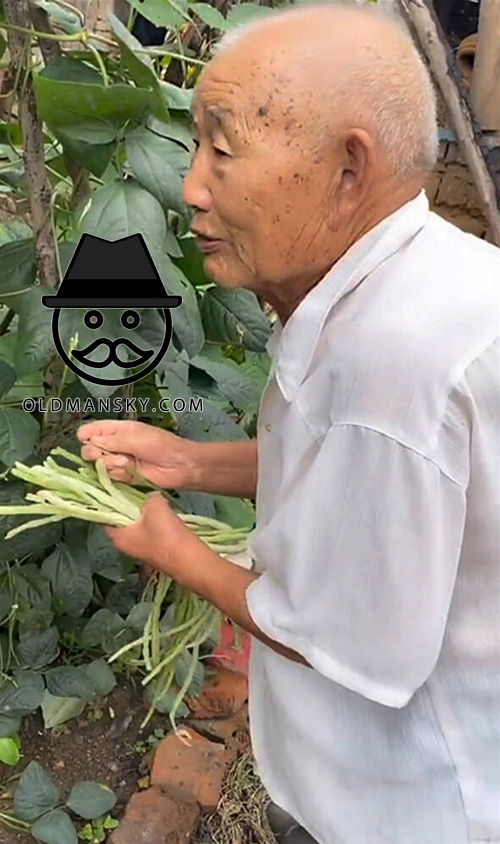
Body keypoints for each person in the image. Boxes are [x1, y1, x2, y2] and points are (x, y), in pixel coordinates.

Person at [77, 4, 500, 843]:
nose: (191, 186)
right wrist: (194, 465)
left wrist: (178, 552)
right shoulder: (425, 278)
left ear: (349, 169)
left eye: (221, 149)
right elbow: (343, 476)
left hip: (405, 805)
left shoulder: (392, 364)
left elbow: (350, 641)